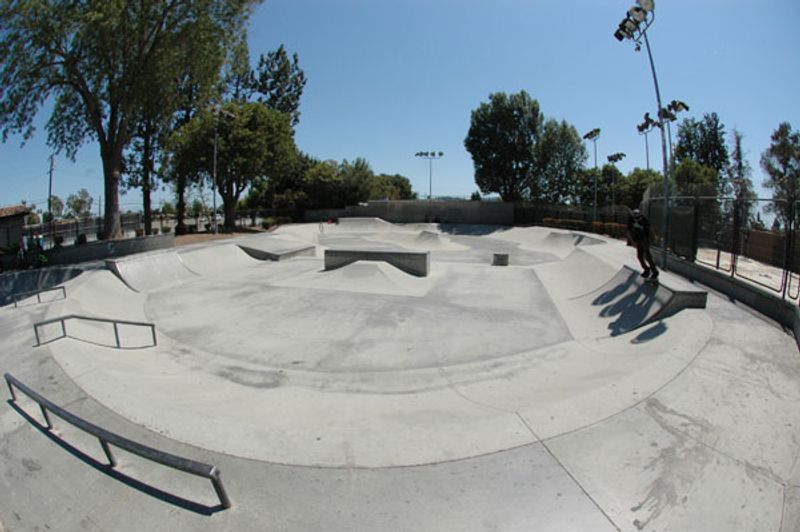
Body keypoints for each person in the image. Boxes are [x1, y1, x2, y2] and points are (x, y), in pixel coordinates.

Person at [627, 208, 658, 280]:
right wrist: (632, 242)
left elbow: (650, 228)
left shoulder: (644, 219)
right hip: (637, 240)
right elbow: (629, 232)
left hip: (645, 240)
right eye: (635, 216)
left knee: (647, 256)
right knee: (639, 256)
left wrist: (654, 236)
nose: (636, 219)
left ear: (639, 215)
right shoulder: (631, 220)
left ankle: (655, 271)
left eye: (637, 216)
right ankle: (646, 269)